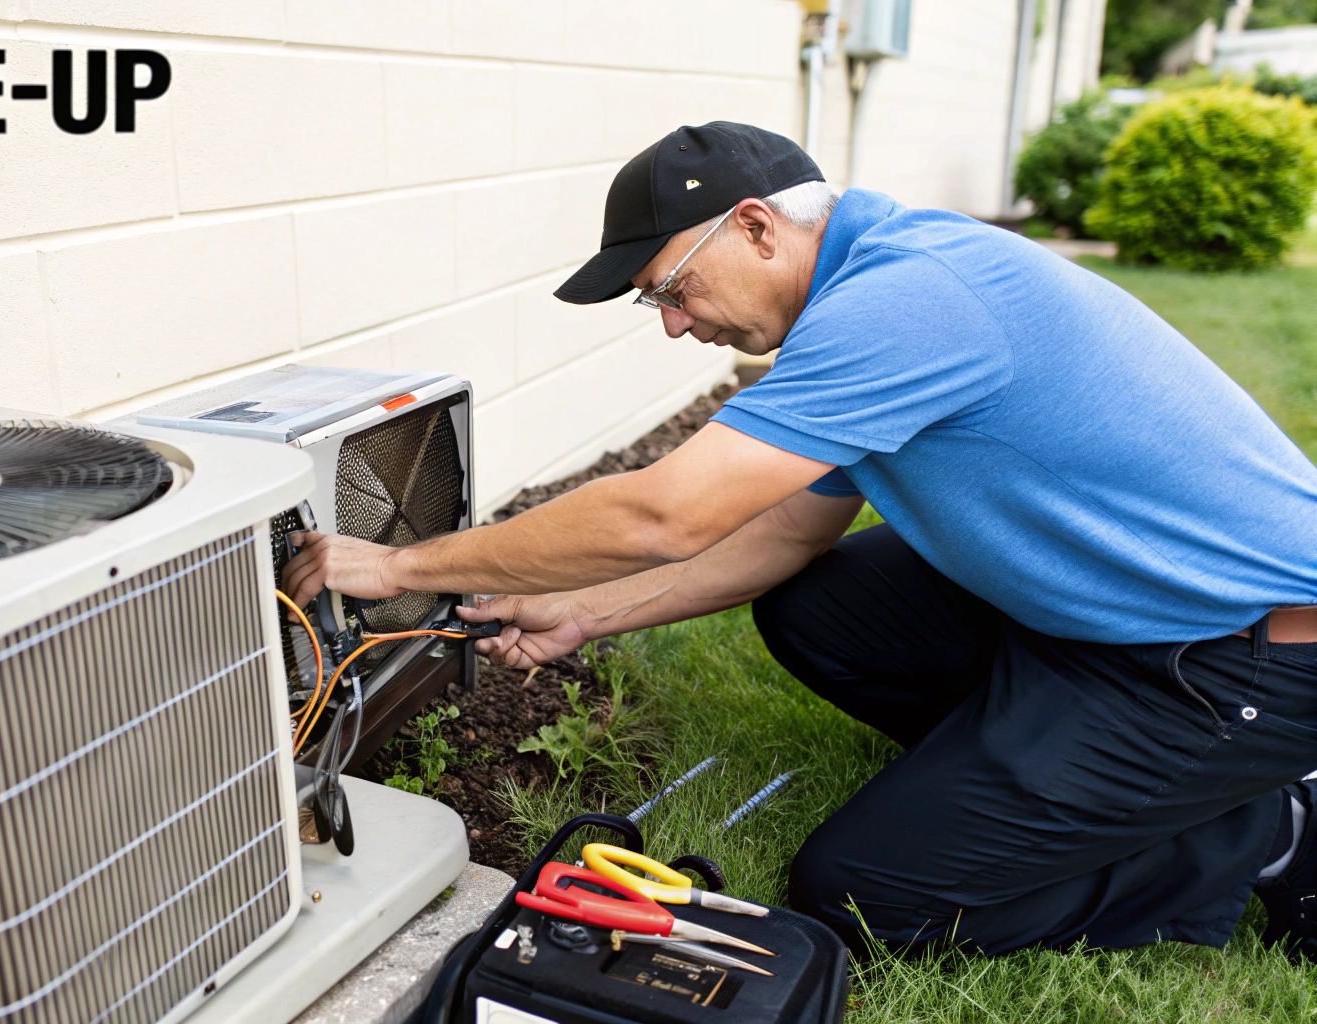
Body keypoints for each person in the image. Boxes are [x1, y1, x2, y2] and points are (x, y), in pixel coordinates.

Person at [283, 121, 1317, 959]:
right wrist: (583, 613)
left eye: (668, 290)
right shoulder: (875, 280)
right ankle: (1046, 777)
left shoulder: (905, 302)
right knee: (819, 605)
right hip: (1112, 614)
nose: (673, 326)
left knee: (864, 894)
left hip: (1241, 655)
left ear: (752, 227)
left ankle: (1262, 836)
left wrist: (398, 563)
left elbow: (662, 515)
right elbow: (785, 530)